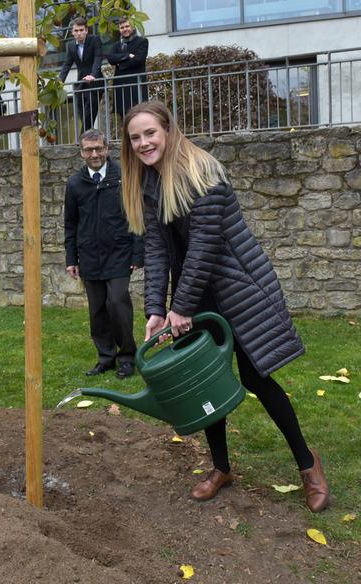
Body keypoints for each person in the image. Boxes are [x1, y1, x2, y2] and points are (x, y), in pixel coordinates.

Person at [120, 101, 329, 512]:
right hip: (196, 296)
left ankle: (308, 465)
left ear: (168, 130)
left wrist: (180, 306)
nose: (143, 143)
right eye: (135, 137)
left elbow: (204, 248)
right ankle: (221, 468)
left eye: (150, 133)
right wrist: (156, 310)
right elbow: (159, 251)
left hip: (238, 291)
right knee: (204, 380)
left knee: (257, 380)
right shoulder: (148, 182)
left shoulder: (203, 173)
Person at [64, 130, 142, 379]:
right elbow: (70, 224)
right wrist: (71, 259)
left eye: (98, 148)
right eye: (89, 150)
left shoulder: (124, 176)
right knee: (97, 310)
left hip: (119, 253)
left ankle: (128, 357)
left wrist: (137, 254)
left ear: (107, 149)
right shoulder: (75, 184)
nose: (94, 154)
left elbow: (136, 215)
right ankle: (106, 358)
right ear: (81, 153)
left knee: (118, 303)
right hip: (89, 256)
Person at [59, 17, 103, 133]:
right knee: (83, 115)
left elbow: (98, 59)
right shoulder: (71, 46)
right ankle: (89, 137)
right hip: (80, 84)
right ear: (72, 32)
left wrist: (93, 75)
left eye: (81, 30)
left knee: (89, 113)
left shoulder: (95, 40)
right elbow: (67, 64)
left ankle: (83, 139)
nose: (79, 33)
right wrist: (59, 82)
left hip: (94, 83)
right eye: (76, 31)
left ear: (86, 30)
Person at [107, 17, 149, 122]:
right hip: (121, 87)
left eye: (127, 26)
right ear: (119, 29)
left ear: (133, 27)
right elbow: (110, 58)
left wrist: (120, 64)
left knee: (140, 116)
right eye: (122, 27)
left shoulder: (142, 41)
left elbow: (139, 59)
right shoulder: (116, 45)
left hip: (136, 86)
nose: (125, 29)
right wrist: (127, 55)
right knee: (124, 120)